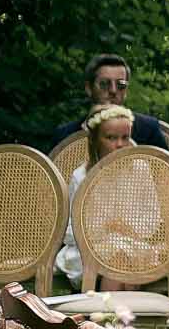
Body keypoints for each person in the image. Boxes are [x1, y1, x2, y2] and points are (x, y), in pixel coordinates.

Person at [55, 103, 139, 284]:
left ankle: (115, 311)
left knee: (125, 253)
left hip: (133, 243)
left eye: (125, 138)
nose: (119, 144)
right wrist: (104, 229)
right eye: (111, 138)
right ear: (94, 139)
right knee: (117, 256)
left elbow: (152, 218)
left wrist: (130, 229)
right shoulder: (82, 176)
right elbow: (69, 230)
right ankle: (118, 311)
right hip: (88, 249)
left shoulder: (140, 170)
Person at [52, 54, 169, 150]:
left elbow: (166, 176)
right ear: (89, 88)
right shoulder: (65, 135)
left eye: (121, 85)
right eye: (104, 84)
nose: (113, 90)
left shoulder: (148, 130)